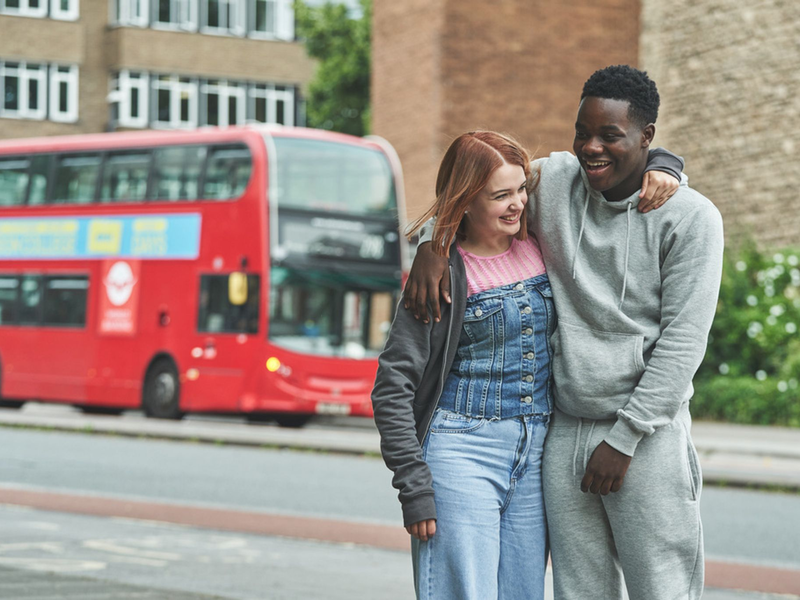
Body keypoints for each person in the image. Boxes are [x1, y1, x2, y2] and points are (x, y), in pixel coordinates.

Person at [405, 65, 724, 600]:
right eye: (583, 132)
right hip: (562, 433)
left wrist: (623, 440)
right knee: (579, 591)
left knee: (662, 589)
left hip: (644, 440)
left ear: (647, 137)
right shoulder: (553, 180)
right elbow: (476, 188)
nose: (591, 147)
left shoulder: (690, 219)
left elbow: (683, 347)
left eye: (611, 136)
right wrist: (432, 247)